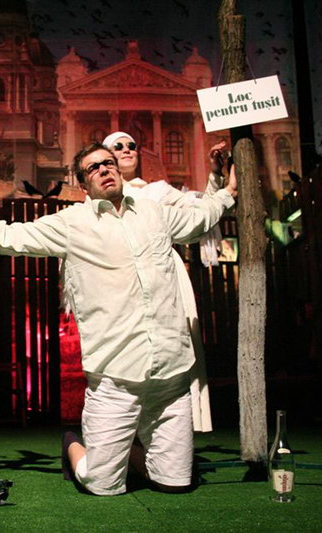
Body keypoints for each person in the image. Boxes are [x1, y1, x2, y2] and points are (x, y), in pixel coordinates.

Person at [0, 143, 237, 496]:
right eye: (93, 168)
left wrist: (228, 191)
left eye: (108, 163)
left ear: (119, 170)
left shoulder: (155, 212)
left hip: (170, 373)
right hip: (115, 374)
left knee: (175, 483)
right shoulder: (72, 223)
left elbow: (201, 217)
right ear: (83, 184)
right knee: (103, 485)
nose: (104, 170)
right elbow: (8, 237)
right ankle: (72, 443)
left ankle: (135, 457)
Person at [102, 131, 229, 433]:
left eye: (132, 145)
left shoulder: (158, 191)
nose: (127, 150)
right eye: (118, 146)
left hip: (165, 276)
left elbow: (201, 209)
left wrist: (215, 174)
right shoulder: (99, 198)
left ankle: (171, 425)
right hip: (123, 277)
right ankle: (129, 429)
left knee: (171, 345)